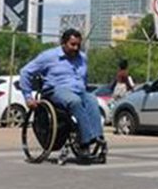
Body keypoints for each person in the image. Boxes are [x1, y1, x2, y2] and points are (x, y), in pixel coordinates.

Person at [19, 28, 105, 163]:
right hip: (56, 91)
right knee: (74, 101)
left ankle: (97, 137)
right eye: (72, 44)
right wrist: (28, 97)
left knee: (93, 100)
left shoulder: (82, 58)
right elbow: (25, 72)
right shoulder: (49, 57)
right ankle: (85, 142)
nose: (76, 48)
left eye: (78, 45)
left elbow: (84, 78)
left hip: (78, 90)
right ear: (63, 43)